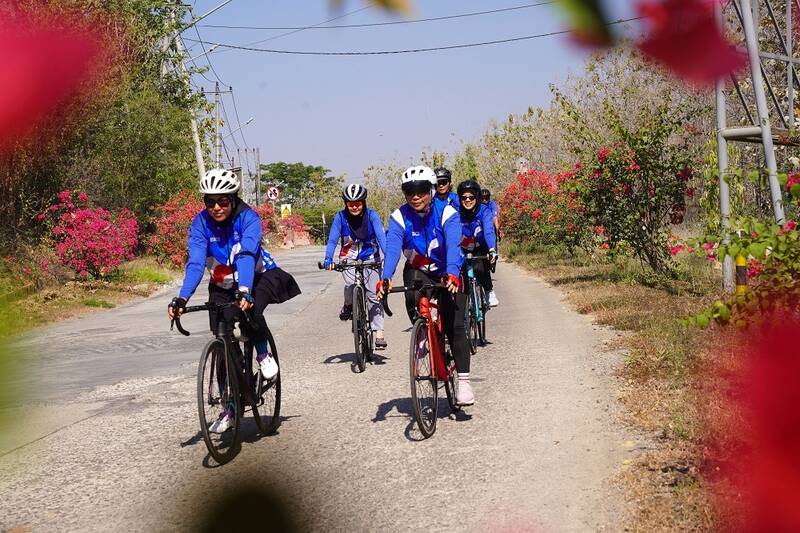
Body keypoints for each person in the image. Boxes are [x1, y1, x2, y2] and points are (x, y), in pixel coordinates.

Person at [167, 168, 301, 433]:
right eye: (209, 201)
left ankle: (262, 352)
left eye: (223, 201)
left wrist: (244, 289)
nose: (216, 207)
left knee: (251, 309)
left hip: (259, 275)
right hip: (222, 283)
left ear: (233, 198)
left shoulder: (248, 218)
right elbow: (195, 262)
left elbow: (247, 254)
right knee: (223, 342)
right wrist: (182, 298)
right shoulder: (200, 224)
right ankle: (230, 405)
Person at [376, 165, 474, 406]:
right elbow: (391, 248)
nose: (415, 196)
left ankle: (463, 382)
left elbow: (453, 245)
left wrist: (451, 273)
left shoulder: (447, 213)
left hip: (447, 270)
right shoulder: (399, 216)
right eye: (409, 191)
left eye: (421, 190)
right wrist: (385, 277)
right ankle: (423, 332)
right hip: (419, 269)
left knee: (455, 325)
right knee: (411, 291)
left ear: (431, 191)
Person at [322, 183, 388, 350]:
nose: (354, 207)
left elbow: (381, 237)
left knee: (373, 295)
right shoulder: (340, 217)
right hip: (348, 258)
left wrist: (388, 257)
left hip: (371, 258)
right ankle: (348, 304)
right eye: (350, 203)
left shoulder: (372, 216)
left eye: (358, 203)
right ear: (346, 204)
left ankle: (379, 332)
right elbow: (332, 240)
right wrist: (328, 258)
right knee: (350, 287)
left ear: (364, 202)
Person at [457, 180, 499, 307]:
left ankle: (488, 290)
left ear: (477, 197)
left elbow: (488, 231)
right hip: (462, 248)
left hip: (480, 246)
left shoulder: (484, 211)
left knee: (480, 269)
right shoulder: (455, 212)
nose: (468, 200)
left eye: (471, 197)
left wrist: (492, 249)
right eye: (464, 197)